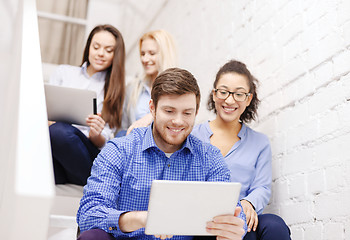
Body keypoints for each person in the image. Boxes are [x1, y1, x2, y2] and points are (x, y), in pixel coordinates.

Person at [77, 68, 247, 240]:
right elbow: (89, 214)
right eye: (169, 111)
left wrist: (232, 228)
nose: (178, 121)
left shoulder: (210, 157)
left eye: (187, 113)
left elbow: (235, 213)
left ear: (196, 112)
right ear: (152, 108)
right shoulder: (119, 151)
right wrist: (142, 218)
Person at [192, 60, 291, 240]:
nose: (229, 100)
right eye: (223, 92)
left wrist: (249, 202)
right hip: (204, 219)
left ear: (248, 99)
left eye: (239, 94)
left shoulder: (259, 142)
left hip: (242, 215)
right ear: (214, 94)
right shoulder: (193, 136)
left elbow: (261, 187)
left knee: (275, 225)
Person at [49, 24, 126, 186]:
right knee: (53, 134)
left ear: (116, 55)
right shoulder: (64, 72)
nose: (100, 54)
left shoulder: (115, 90)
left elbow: (102, 140)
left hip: (86, 154)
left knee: (60, 132)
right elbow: (44, 110)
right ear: (88, 46)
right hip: (56, 147)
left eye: (108, 50)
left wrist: (95, 133)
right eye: (96, 47)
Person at [120, 29, 177, 135]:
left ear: (165, 54)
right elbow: (124, 128)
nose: (145, 59)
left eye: (152, 53)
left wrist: (152, 116)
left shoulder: (180, 89)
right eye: (142, 54)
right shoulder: (132, 88)